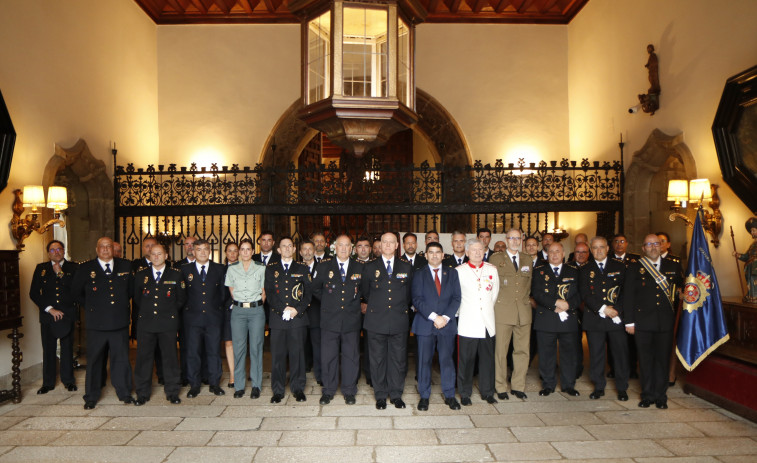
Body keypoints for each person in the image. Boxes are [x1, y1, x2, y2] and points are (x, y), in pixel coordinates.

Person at [71, 237, 135, 409]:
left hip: (119, 322)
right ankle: (91, 396)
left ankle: (124, 393)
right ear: (97, 249)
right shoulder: (85, 268)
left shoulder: (125, 266)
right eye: (102, 247)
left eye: (108, 246)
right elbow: (76, 292)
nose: (106, 249)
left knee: (121, 360)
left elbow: (130, 291)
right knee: (94, 361)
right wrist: (92, 307)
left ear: (113, 249)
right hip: (96, 324)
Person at [623, 234, 683, 409]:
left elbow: (682, 285)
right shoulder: (635, 268)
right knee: (646, 359)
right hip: (642, 322)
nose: (653, 247)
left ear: (662, 246)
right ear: (643, 248)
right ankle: (647, 395)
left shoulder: (673, 265)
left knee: (662, 360)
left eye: (656, 244)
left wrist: (683, 292)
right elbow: (628, 296)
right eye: (649, 244)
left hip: (665, 322)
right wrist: (629, 322)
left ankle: (661, 396)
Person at [362, 232, 413, 409]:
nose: (388, 245)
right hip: (376, 320)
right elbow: (365, 293)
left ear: (397, 245)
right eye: (385, 242)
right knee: (377, 360)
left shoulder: (406, 267)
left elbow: (408, 295)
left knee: (398, 360)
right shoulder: (370, 267)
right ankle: (381, 395)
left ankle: (396, 394)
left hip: (398, 320)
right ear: (380, 245)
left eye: (392, 242)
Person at [312, 234, 365, 405]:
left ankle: (349, 390)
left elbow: (365, 290)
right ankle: (328, 390)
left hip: (351, 320)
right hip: (330, 319)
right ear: (334, 247)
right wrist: (330, 302)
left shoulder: (360, 267)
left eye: (347, 245)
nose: (343, 248)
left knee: (351, 356)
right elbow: (316, 289)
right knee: (329, 356)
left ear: (352, 248)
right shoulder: (324, 266)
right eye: (340, 245)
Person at [133, 244, 186, 405]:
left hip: (167, 323)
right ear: (149, 257)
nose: (156, 257)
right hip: (146, 323)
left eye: (159, 254)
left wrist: (167, 312)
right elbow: (137, 298)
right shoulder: (141, 274)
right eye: (153, 254)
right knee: (143, 359)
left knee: (170, 358)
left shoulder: (176, 274)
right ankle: (142, 393)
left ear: (166, 255)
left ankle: (172, 392)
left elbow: (181, 299)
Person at [412, 242, 462, 411]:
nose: (434, 255)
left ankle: (449, 395)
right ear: (425, 255)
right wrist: (434, 317)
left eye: (437, 252)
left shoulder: (452, 273)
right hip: (425, 324)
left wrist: (445, 318)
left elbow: (457, 298)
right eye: (431, 252)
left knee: (446, 361)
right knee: (423, 362)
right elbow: (417, 299)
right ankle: (424, 396)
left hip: (446, 325)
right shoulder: (419, 274)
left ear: (443, 255)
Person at [579, 237, 629, 401]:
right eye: (595, 248)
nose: (598, 250)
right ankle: (599, 387)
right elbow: (585, 293)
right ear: (591, 250)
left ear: (608, 248)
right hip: (595, 318)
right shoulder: (585, 269)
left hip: (616, 318)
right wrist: (603, 308)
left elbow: (625, 292)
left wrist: (616, 310)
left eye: (601, 247)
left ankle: (622, 388)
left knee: (620, 354)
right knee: (596, 354)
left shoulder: (620, 266)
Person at [264, 236, 312, 403]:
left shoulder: (302, 268)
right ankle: (277, 390)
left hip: (297, 319)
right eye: (283, 246)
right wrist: (282, 308)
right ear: (278, 250)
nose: (286, 249)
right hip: (278, 319)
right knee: (277, 356)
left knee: (297, 355)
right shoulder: (271, 269)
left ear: (293, 249)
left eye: (289, 246)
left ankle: (298, 389)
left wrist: (296, 310)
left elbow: (308, 294)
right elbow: (269, 293)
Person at [531, 242, 581, 397]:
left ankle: (568, 385)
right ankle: (548, 384)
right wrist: (555, 303)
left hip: (568, 318)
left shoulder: (574, 271)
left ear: (563, 253)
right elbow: (536, 293)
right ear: (547, 254)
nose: (554, 254)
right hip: (546, 318)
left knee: (569, 354)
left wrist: (567, 305)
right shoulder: (539, 271)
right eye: (551, 252)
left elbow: (580, 293)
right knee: (546, 355)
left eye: (557, 251)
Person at [29, 240, 79, 394]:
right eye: (52, 250)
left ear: (64, 251)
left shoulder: (73, 267)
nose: (56, 252)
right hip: (48, 316)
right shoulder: (41, 268)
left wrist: (60, 273)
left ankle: (68, 381)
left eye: (59, 249)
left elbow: (76, 289)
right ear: (48, 253)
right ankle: (48, 383)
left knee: (67, 348)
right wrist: (50, 309)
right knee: (48, 349)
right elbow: (34, 293)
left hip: (67, 315)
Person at [181, 239, 228, 398]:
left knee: (214, 352)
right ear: (193, 252)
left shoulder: (219, 269)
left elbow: (223, 294)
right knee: (193, 352)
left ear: (210, 251)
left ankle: (214, 383)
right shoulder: (184, 269)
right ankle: (194, 385)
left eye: (205, 249)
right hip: (192, 319)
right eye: (198, 249)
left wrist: (215, 309)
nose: (202, 252)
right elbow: (182, 295)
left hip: (213, 318)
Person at [490, 228, 532, 400]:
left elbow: (529, 286)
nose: (515, 241)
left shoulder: (528, 259)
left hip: (523, 311)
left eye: (518, 238)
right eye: (511, 238)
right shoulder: (495, 258)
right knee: (500, 351)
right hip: (502, 311)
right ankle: (500, 386)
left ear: (521, 239)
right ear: (506, 240)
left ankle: (518, 385)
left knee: (522, 351)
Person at [456, 238, 499, 405]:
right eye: (473, 250)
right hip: (468, 323)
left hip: (487, 323)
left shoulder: (492, 270)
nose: (477, 252)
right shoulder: (459, 271)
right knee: (466, 361)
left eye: (480, 249)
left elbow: (494, 295)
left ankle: (488, 392)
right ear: (467, 253)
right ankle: (465, 393)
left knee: (487, 360)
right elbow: (457, 297)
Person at [225, 238, 266, 399]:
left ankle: (256, 385)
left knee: (256, 348)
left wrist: (255, 304)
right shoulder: (232, 269)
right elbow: (232, 290)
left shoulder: (261, 268)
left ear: (252, 251)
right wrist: (241, 303)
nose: (245, 252)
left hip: (256, 311)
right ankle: (239, 386)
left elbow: (264, 291)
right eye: (242, 249)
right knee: (239, 348)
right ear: (239, 252)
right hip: (238, 312)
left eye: (248, 249)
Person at [300, 240, 322, 385]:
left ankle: (320, 375)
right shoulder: (295, 268)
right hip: (300, 314)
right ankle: (301, 374)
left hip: (317, 313)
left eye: (310, 249)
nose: (307, 252)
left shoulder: (323, 268)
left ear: (314, 251)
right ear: (300, 252)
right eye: (304, 249)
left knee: (318, 345)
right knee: (300, 346)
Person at [354, 236, 373, 387]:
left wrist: (367, 303)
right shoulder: (351, 265)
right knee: (352, 344)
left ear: (370, 249)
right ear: (355, 249)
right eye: (360, 246)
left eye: (366, 246)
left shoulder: (375, 265)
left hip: (371, 310)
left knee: (370, 344)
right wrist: (360, 303)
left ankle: (370, 374)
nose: (363, 249)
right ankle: (353, 375)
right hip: (353, 310)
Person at [223, 241, 239, 388]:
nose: (233, 253)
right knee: (229, 342)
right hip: (226, 310)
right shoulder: (220, 270)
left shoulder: (245, 268)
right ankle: (232, 376)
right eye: (230, 251)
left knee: (242, 343)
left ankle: (241, 373)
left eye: (235, 251)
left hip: (242, 309)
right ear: (226, 253)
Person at [734, 217, 757, 303]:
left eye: (754, 230)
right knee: (750, 283)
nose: (752, 233)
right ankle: (751, 297)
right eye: (751, 231)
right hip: (750, 268)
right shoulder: (752, 245)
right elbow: (747, 256)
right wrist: (738, 255)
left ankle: (755, 297)